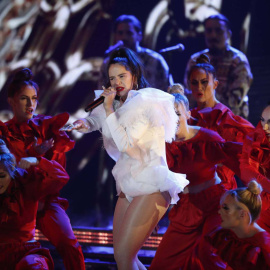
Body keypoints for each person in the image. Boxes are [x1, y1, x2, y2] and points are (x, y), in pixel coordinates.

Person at [64, 47, 189, 270]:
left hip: (151, 187)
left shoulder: (145, 103)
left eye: (122, 76)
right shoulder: (116, 105)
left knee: (124, 257)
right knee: (125, 259)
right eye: (112, 78)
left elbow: (127, 145)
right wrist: (86, 124)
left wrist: (109, 108)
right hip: (127, 186)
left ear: (134, 75)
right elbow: (98, 120)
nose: (117, 82)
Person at [0, 68, 85, 270]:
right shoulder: (3, 132)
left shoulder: (46, 127)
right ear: (11, 100)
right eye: (24, 98)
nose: (31, 105)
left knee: (69, 244)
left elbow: (59, 174)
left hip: (44, 200)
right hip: (15, 202)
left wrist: (39, 158)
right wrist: (31, 153)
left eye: (34, 98)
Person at [150, 93, 242, 270]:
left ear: (187, 113)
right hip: (185, 210)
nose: (173, 119)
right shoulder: (163, 146)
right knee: (161, 264)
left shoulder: (208, 138)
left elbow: (238, 161)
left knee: (208, 254)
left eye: (177, 113)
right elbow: (159, 182)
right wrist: (153, 216)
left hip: (214, 206)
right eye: (167, 115)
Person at [187, 53, 254, 190]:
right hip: (191, 194)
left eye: (204, 82)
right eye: (194, 82)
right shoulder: (189, 117)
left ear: (215, 84)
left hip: (221, 194)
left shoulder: (226, 120)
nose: (199, 87)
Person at [0, 139, 69, 270]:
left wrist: (38, 161)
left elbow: (60, 177)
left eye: (1, 176)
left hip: (24, 254)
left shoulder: (26, 185)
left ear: (11, 172)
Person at [184, 14, 253, 119]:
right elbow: (189, 94)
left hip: (231, 122)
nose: (213, 35)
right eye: (209, 31)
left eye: (218, 31)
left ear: (228, 34)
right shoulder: (195, 60)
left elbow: (234, 101)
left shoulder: (238, 60)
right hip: (200, 121)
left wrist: (204, 97)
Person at [99, 14, 172, 92]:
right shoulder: (108, 63)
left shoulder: (155, 60)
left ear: (139, 36)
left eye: (129, 33)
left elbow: (169, 90)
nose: (124, 37)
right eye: (120, 33)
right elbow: (103, 94)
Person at [206, 180, 270, 270]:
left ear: (242, 214)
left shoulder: (263, 248)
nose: (219, 212)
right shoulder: (229, 236)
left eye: (225, 208)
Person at [240, 103, 270, 232]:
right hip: (260, 205)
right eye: (263, 121)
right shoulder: (253, 138)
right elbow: (245, 170)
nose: (265, 127)